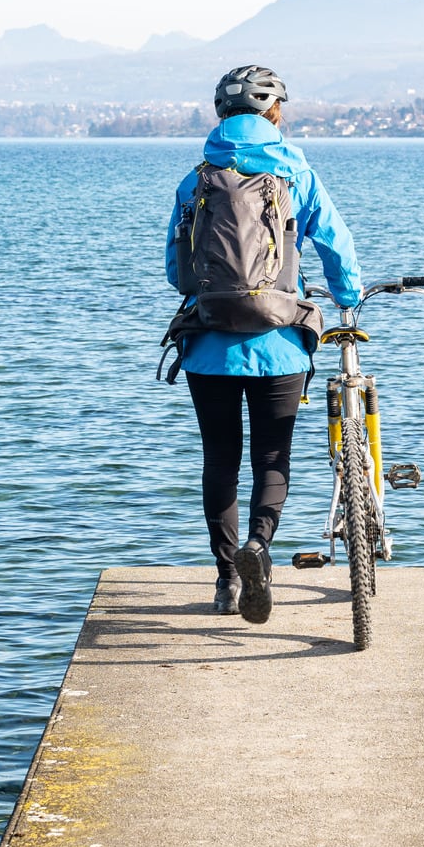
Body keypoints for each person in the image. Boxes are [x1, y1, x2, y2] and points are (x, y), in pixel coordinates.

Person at [165, 65, 363, 623]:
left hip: (208, 343)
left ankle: (228, 579)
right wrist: (346, 296)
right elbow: (335, 244)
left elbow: (174, 270)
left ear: (220, 115)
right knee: (272, 454)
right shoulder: (296, 171)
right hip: (280, 343)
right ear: (276, 111)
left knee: (220, 457)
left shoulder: (197, 178)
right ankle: (260, 544)